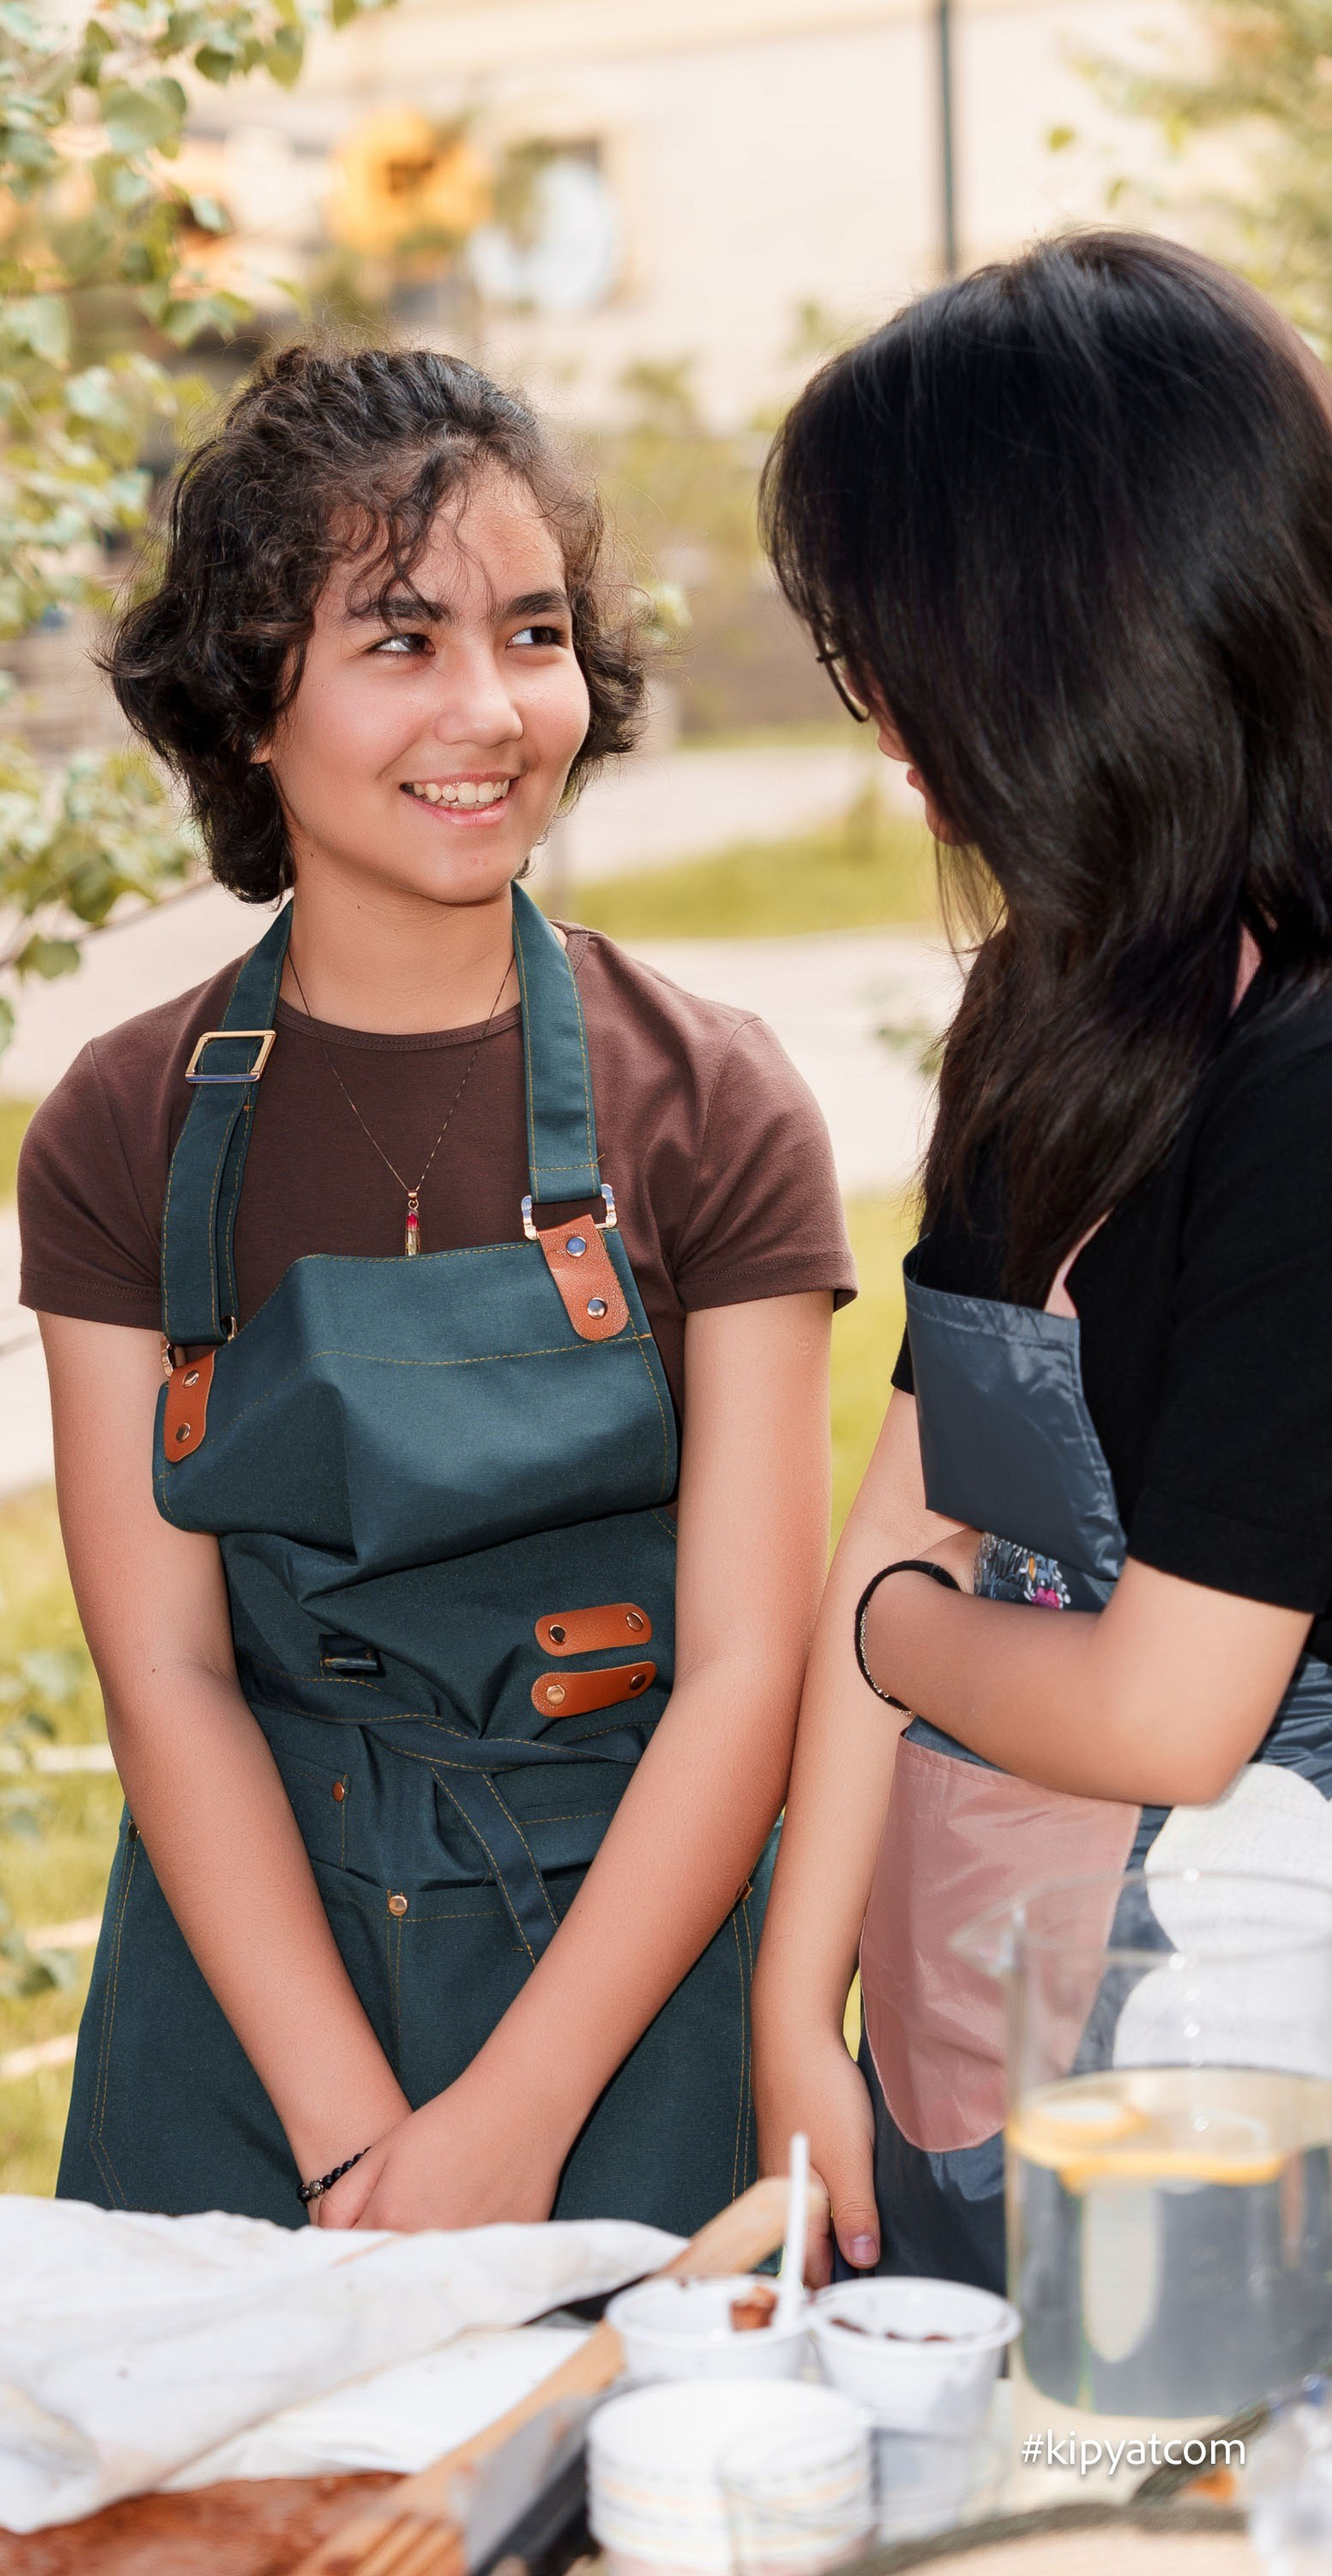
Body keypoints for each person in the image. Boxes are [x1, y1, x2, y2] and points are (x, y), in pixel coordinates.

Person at [18, 344, 854, 2233]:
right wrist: (349, 2139)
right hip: (252, 1995)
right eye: (400, 642)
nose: (489, 709)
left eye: (534, 633)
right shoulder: (122, 1127)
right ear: (250, 699)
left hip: (632, 1990)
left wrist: (516, 2115)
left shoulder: (716, 1101)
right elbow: (165, 1673)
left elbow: (747, 1670)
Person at [752, 231, 1332, 2292]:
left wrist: (914, 1644)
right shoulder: (1049, 996)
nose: (882, 712)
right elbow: (909, 1474)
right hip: (985, 1999)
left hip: (1237, 2085)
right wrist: (790, 2010)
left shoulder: (1306, 1082)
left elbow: (1177, 1713)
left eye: (884, 644)